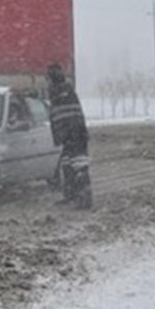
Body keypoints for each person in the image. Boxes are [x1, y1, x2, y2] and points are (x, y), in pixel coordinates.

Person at [46, 63, 92, 209]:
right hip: (75, 132)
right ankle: (73, 195)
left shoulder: (58, 90)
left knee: (77, 164)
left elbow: (46, 96)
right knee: (69, 163)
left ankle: (83, 197)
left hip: (71, 133)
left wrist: (26, 92)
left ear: (52, 78)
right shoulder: (68, 90)